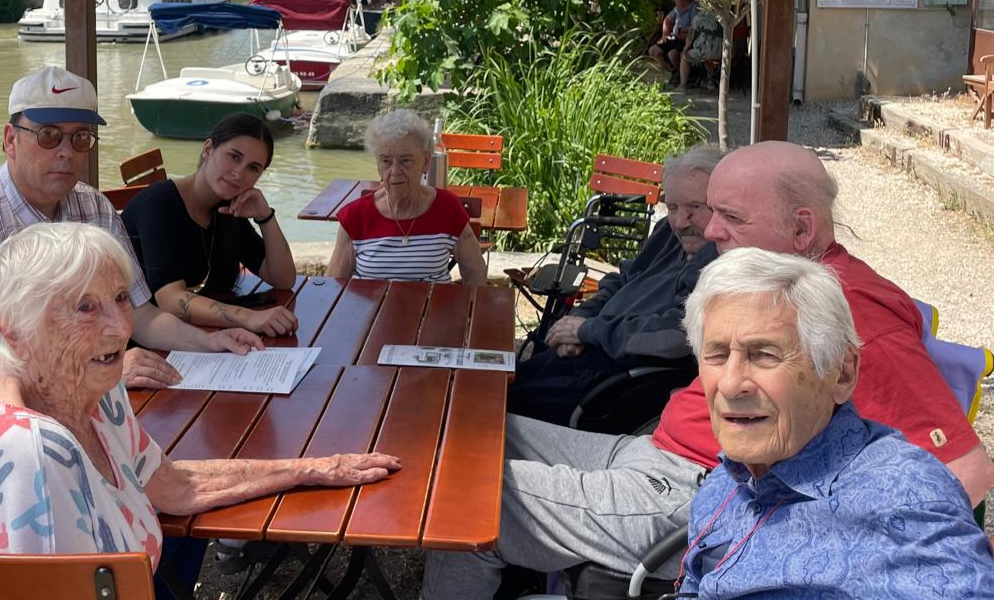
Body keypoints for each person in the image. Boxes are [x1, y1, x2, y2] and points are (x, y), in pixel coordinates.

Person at [419, 141, 994, 600]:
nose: (710, 230)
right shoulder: (766, 283)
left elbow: (963, 470)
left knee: (466, 491)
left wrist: (788, 542)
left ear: (802, 228)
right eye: (709, 211)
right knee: (474, 433)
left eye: (731, 216)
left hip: (690, 488)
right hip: (656, 450)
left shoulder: (852, 314)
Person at [0, 222, 401, 578]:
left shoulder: (94, 392)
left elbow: (173, 486)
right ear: (14, 329)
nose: (119, 328)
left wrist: (313, 469)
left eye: (122, 298)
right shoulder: (29, 453)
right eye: (86, 307)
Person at [0, 66, 262, 472]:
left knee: (198, 451)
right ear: (10, 140)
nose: (66, 151)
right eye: (48, 136)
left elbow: (142, 313)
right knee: (157, 485)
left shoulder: (92, 208)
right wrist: (91, 372)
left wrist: (209, 342)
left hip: (79, 401)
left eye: (80, 138)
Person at [675, 247, 994, 597]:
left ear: (842, 373)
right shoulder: (729, 478)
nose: (732, 384)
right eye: (717, 355)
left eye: (764, 355)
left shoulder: (902, 499)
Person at [507, 145, 722, 426]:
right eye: (672, 207)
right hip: (587, 351)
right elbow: (622, 279)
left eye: (695, 208)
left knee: (491, 408)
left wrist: (588, 332)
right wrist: (578, 319)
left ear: (722, 204)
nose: (681, 222)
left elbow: (677, 333)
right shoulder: (668, 233)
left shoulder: (719, 261)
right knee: (491, 382)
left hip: (611, 381)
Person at [121, 113, 299, 337]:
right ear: (208, 149)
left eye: (253, 168)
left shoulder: (226, 209)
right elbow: (170, 299)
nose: (238, 173)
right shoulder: (159, 204)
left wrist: (265, 216)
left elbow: (283, 279)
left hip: (199, 337)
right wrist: (249, 318)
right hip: (139, 343)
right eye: (234, 157)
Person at [326, 109, 486, 285]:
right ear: (378, 165)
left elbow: (475, 272)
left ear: (425, 163)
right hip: (372, 312)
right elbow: (334, 285)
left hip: (433, 311)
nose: (395, 172)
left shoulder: (447, 209)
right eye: (386, 161)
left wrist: (467, 310)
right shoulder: (355, 216)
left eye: (406, 161)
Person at [648, 0, 699, 82]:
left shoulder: (694, 7)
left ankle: (685, 76)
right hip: (675, 38)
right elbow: (667, 21)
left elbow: (696, 28)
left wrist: (681, 30)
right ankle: (673, 71)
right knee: (653, 51)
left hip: (687, 40)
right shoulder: (677, 9)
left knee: (672, 54)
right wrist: (665, 36)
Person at [676, 9, 723, 93]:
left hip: (704, 53)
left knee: (684, 57)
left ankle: (682, 85)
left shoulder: (700, 16)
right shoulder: (724, 17)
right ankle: (710, 82)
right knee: (709, 59)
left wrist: (685, 48)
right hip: (722, 53)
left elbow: (690, 36)